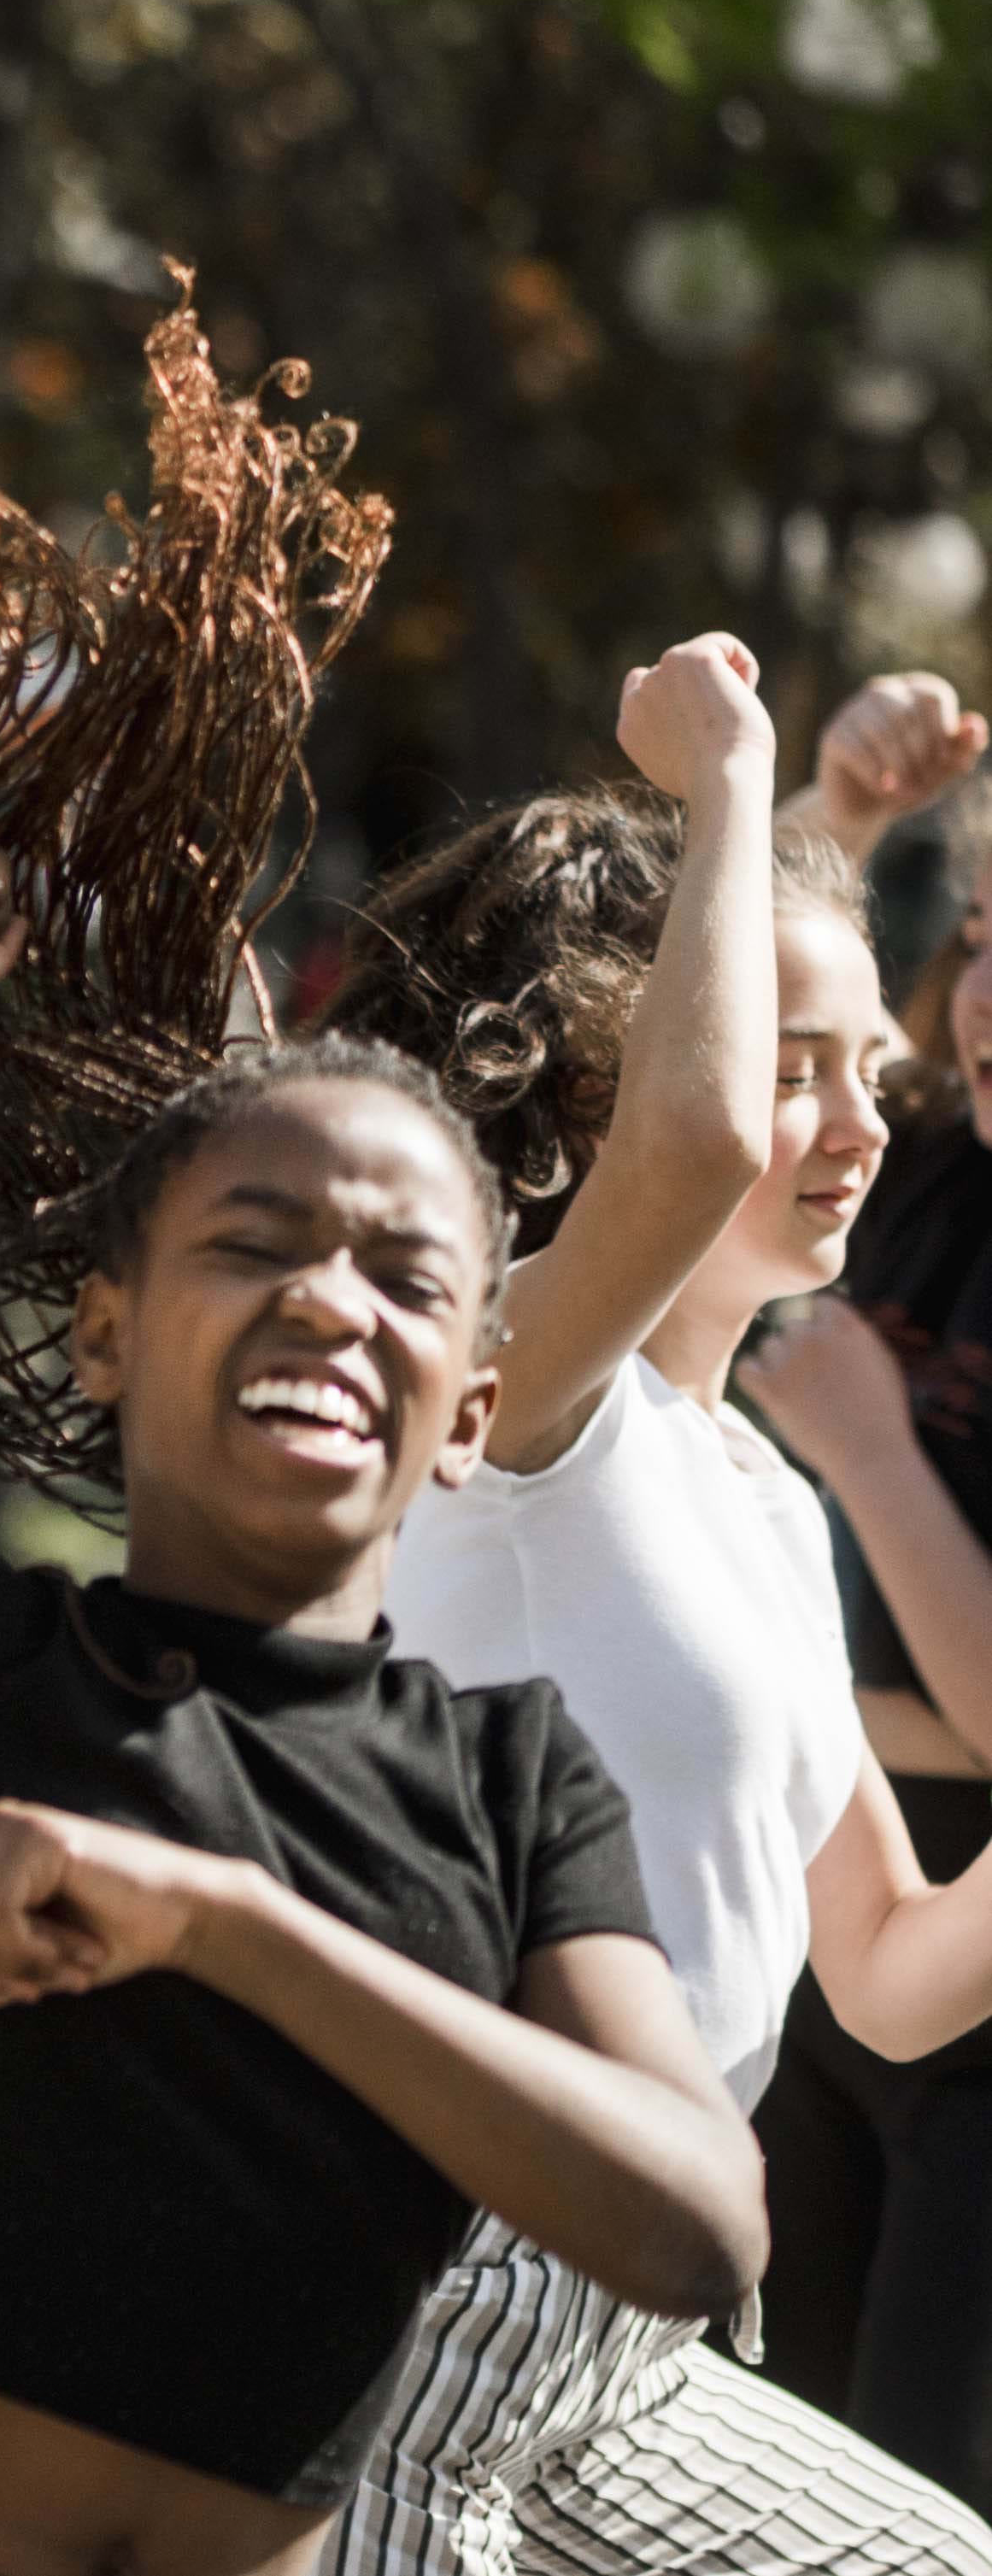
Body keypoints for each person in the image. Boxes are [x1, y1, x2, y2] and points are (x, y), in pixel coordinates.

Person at [0, 302, 767, 2575]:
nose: (328, 1294)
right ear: (102, 1337)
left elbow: (693, 2222)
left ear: (471, 1400)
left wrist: (220, 1924)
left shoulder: (512, 1786)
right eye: (253, 1243)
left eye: (407, 1274)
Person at [306, 648, 992, 2568]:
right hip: (430, 2303)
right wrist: (742, 776)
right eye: (795, 1068)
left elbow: (894, 1965)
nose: (854, 1119)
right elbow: (683, 1151)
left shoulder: (765, 1498)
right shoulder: (521, 1392)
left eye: (877, 1069)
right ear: (621, 1075)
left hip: (643, 2348)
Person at [744, 829, 992, 2506]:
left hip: (963, 2013)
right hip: (824, 1937)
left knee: (917, 2510)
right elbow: (756, 1056)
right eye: (983, 930)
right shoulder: (935, 1172)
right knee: (766, 2496)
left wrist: (872, 1458)